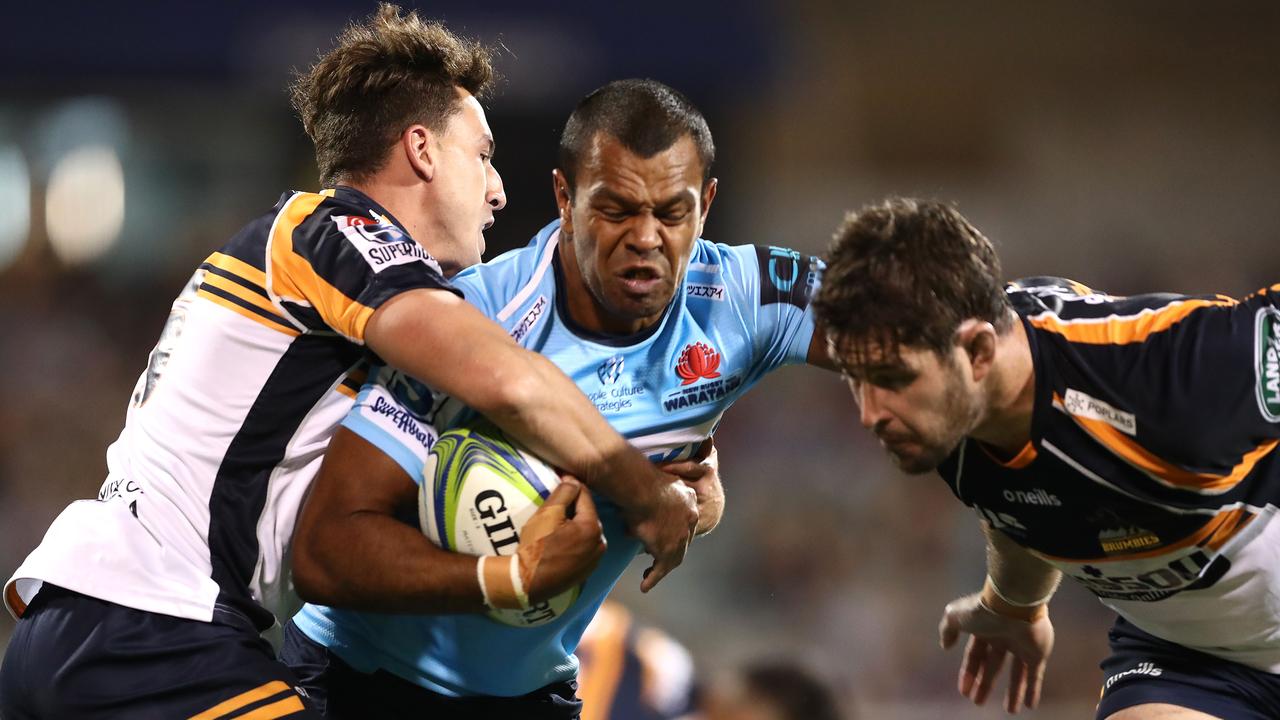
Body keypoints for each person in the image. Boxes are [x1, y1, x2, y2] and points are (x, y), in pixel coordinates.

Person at [0, 8, 697, 718]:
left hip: (104, 625)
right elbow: (511, 381)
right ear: (422, 150)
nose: (498, 190)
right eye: (482, 155)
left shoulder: (330, 283)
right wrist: (643, 491)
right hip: (149, 628)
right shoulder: (334, 228)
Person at [278, 78, 836, 718]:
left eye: (672, 213)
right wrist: (508, 581)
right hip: (356, 682)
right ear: (564, 199)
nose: (647, 238)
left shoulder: (739, 297)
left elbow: (905, 317)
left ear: (706, 204)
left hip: (531, 696)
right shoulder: (474, 316)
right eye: (617, 210)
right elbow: (324, 551)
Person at [812, 197, 1280, 719]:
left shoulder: (1170, 370)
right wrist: (1012, 604)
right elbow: (1023, 502)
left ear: (979, 352)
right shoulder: (948, 414)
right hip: (1186, 658)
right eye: (856, 381)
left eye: (892, 380)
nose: (870, 414)